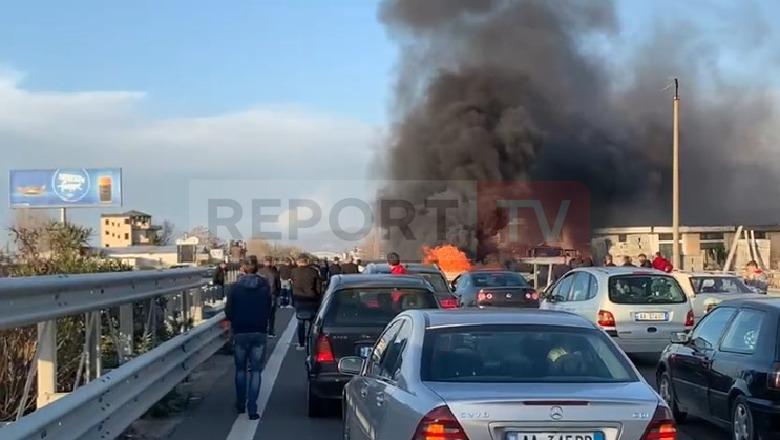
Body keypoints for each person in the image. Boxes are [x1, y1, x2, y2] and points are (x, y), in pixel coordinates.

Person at [224, 258, 272, 420]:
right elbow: (269, 307)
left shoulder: (235, 288)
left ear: (243, 269)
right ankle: (252, 408)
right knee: (256, 370)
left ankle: (240, 404)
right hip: (259, 330)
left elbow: (229, 312)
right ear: (257, 268)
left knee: (240, 370)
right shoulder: (264, 286)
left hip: (240, 330)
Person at [291, 255, 322, 350]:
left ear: (298, 262)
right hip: (311, 298)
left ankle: (301, 343)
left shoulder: (294, 272)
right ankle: (310, 341)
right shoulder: (314, 271)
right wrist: (318, 297)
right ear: (307, 262)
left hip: (299, 298)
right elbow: (318, 287)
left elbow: (292, 284)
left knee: (300, 321)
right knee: (311, 321)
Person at [258, 256, 281, 337]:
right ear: (271, 262)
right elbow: (278, 284)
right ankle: (271, 332)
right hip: (272, 294)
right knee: (271, 315)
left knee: (262, 314)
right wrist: (278, 293)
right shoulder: (274, 271)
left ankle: (263, 330)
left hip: (261, 295)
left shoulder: (259, 272)